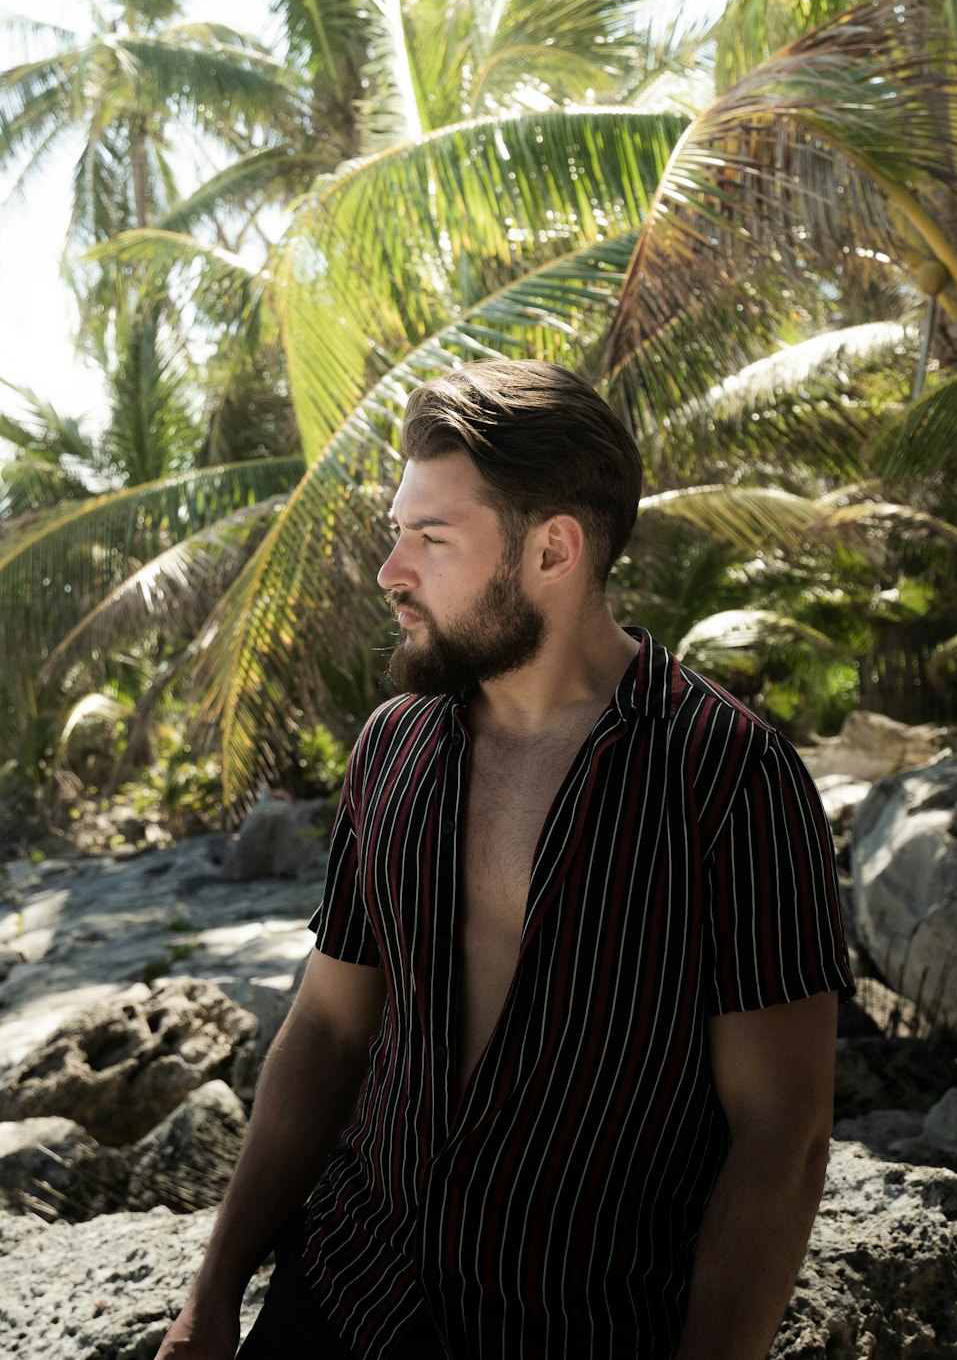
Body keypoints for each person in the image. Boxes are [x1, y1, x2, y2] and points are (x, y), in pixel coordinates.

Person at [156, 360, 854, 1360]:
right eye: (397, 532)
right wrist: (213, 1291)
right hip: (348, 1297)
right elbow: (326, 1028)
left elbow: (780, 1131)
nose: (391, 570)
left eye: (430, 539)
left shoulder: (728, 775)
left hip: (577, 1328)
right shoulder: (392, 746)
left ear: (554, 550)